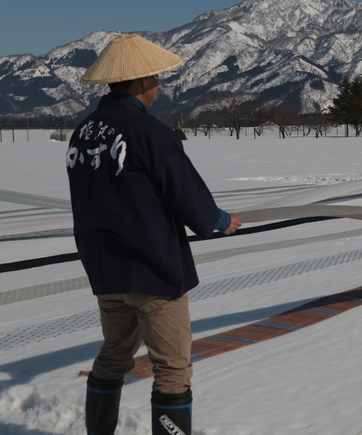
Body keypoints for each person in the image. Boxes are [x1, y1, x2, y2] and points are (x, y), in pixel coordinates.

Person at [66, 33, 242, 435]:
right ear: (143, 81)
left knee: (113, 355)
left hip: (107, 271)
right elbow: (187, 196)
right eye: (157, 77)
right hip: (153, 271)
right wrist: (220, 220)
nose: (159, 85)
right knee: (172, 368)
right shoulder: (150, 132)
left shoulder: (84, 132)